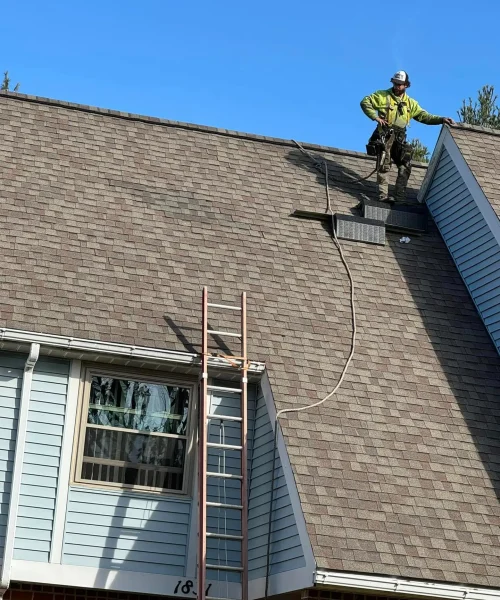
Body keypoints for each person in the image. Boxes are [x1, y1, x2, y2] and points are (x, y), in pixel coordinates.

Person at [360, 71, 454, 203]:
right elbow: (365, 102)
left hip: (400, 138)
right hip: (385, 135)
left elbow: (424, 116)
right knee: (384, 165)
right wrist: (375, 117)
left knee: (405, 165)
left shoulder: (410, 103)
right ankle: (383, 196)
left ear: (406, 85)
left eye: (400, 84)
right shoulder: (382, 95)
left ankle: (400, 198)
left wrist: (441, 119)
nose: (397, 86)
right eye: (396, 83)